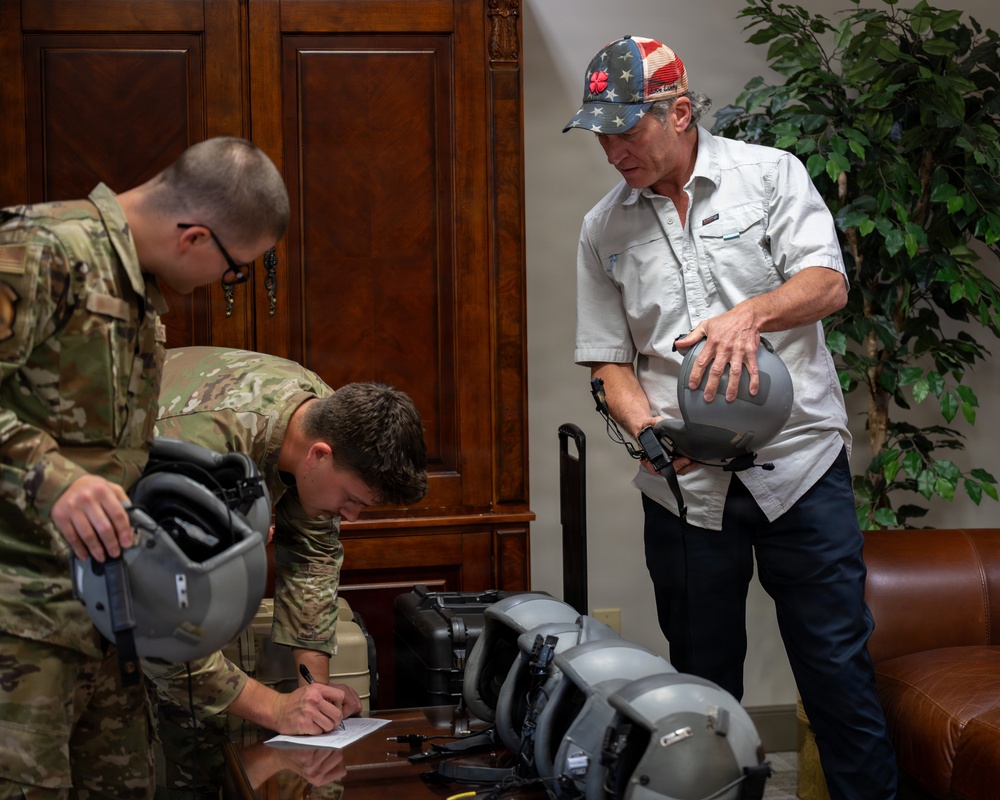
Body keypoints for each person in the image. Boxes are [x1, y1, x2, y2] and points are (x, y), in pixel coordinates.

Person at [565, 35, 897, 799]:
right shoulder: (601, 228)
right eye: (601, 135)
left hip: (802, 473)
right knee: (700, 695)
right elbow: (609, 360)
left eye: (628, 130)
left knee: (839, 679)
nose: (613, 151)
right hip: (685, 492)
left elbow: (826, 282)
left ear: (680, 113)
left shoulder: (770, 175)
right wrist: (645, 429)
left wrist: (749, 315)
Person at [0, 137, 289, 798]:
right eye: (236, 268)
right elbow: (64, 462)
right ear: (194, 237)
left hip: (107, 618)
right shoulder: (42, 251)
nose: (226, 285)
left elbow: (105, 448)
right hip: (22, 624)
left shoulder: (135, 293)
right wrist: (53, 479)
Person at [146, 345, 428, 797]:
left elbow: (313, 554)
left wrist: (313, 695)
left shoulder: (326, 417)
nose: (352, 517)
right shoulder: (197, 452)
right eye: (352, 500)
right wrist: (278, 709)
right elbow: (163, 631)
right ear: (318, 455)